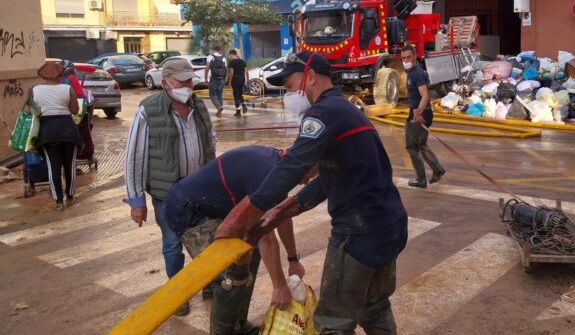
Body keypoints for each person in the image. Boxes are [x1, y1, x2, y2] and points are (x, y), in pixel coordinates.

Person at [215, 51, 408, 334]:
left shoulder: (321, 113)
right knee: (374, 306)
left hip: (358, 233)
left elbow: (293, 166)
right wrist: (283, 210)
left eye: (291, 86)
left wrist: (237, 219)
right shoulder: (346, 110)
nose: (288, 94)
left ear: (311, 78)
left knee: (332, 323)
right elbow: (332, 175)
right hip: (388, 225)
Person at [164, 145, 314, 334]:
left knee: (251, 253)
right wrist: (279, 286)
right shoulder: (267, 173)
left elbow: (280, 216)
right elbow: (266, 237)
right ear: (303, 165)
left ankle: (238, 325)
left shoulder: (281, 166)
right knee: (229, 276)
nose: (309, 181)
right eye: (312, 173)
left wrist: (293, 260)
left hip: (216, 209)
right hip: (188, 209)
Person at [124, 57, 215, 316]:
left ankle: (209, 284)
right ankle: (179, 293)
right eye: (182, 81)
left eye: (190, 80)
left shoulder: (199, 106)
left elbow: (209, 142)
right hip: (169, 194)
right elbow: (135, 156)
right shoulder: (148, 110)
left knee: (207, 241)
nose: (188, 85)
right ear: (166, 83)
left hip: (201, 190)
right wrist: (136, 201)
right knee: (173, 245)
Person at [32, 61, 81, 211]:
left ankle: (58, 201)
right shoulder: (68, 89)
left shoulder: (35, 90)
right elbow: (74, 110)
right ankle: (70, 195)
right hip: (67, 130)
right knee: (69, 165)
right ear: (60, 74)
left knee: (53, 167)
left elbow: (32, 113)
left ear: (43, 75)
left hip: (47, 132)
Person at [400, 45, 445, 188]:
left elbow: (425, 95)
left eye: (408, 57)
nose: (406, 60)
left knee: (412, 146)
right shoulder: (412, 72)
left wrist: (418, 113)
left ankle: (420, 179)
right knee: (420, 144)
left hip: (419, 113)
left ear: (414, 56)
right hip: (419, 111)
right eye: (403, 58)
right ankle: (437, 169)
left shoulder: (417, 73)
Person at [205, 46, 228, 116]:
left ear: (213, 50)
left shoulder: (210, 57)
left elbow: (207, 68)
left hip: (214, 79)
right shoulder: (223, 58)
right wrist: (225, 79)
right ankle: (219, 112)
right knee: (219, 95)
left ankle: (219, 107)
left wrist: (205, 78)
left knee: (212, 95)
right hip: (222, 79)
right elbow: (226, 69)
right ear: (220, 50)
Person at [227, 49, 249, 117]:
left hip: (235, 80)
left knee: (236, 96)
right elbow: (246, 71)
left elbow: (231, 73)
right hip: (242, 79)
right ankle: (243, 105)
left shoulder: (231, 62)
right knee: (240, 94)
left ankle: (238, 112)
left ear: (231, 54)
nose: (229, 56)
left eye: (230, 55)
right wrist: (248, 80)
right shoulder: (242, 61)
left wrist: (229, 82)